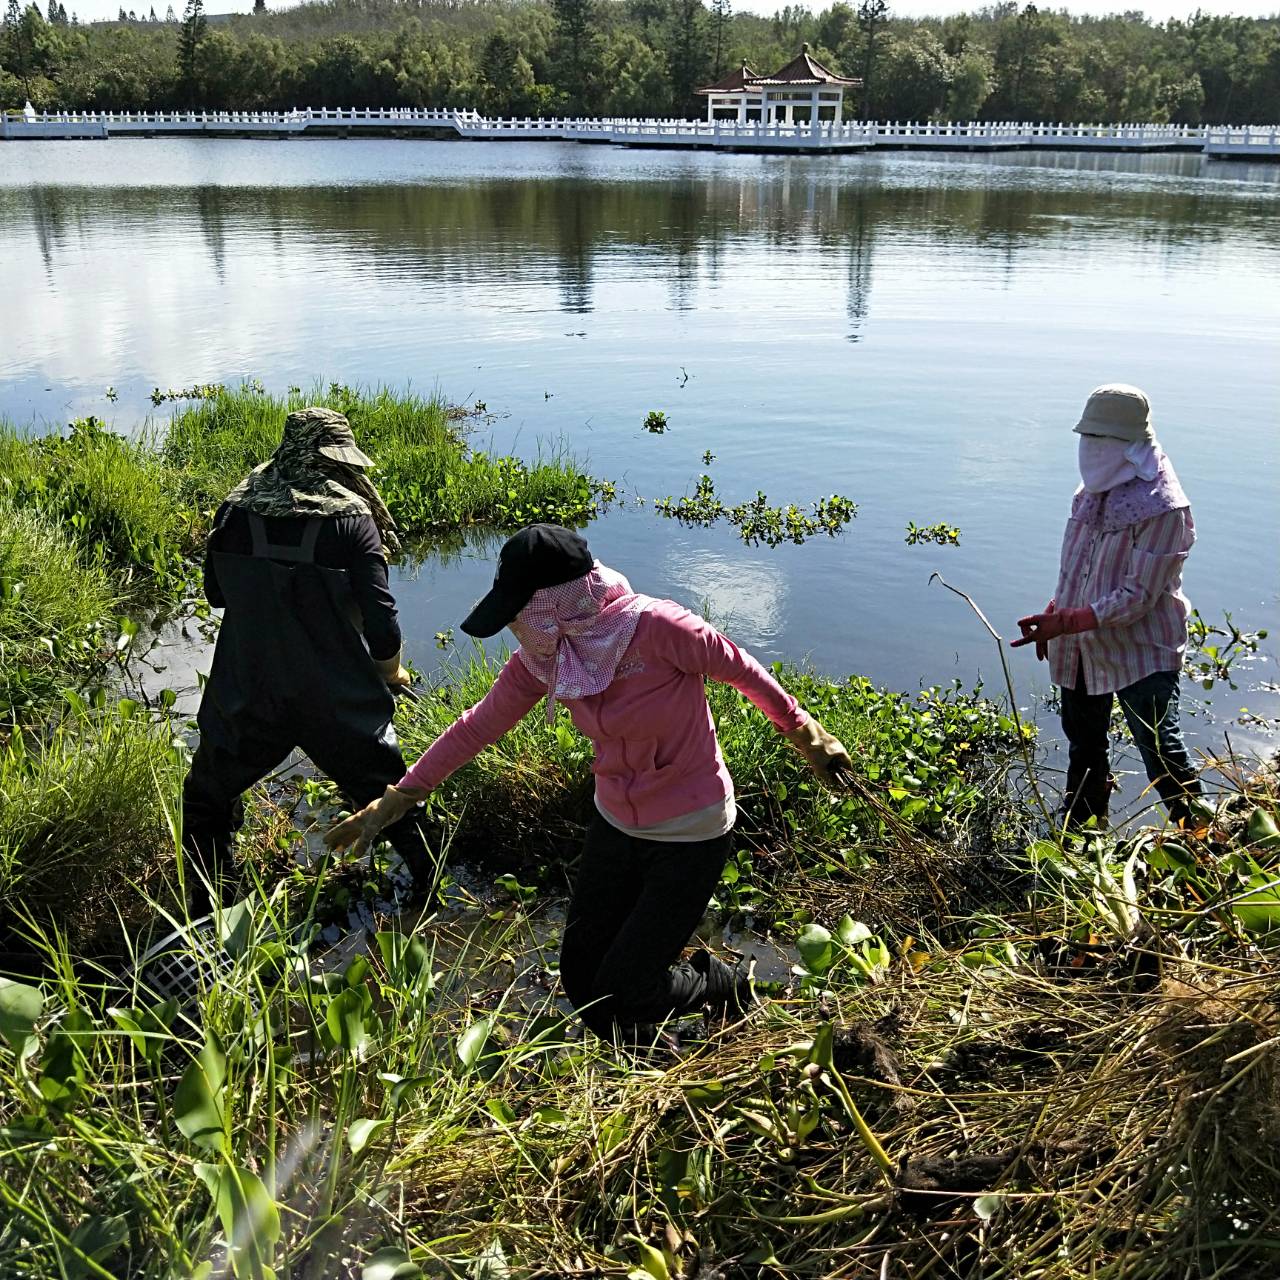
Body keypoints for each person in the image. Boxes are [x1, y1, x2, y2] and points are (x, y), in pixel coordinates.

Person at [325, 524, 852, 1037]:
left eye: (519, 612)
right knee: (584, 984)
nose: (515, 626)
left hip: (691, 831)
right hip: (616, 824)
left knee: (630, 984)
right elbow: (476, 727)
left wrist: (808, 736)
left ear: (558, 603)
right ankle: (657, 1059)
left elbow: (742, 670)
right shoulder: (547, 660)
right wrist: (396, 799)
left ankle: (723, 983)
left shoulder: (662, 629)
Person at [181, 406, 429, 914]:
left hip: (247, 690)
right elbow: (381, 619)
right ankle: (430, 894)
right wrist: (389, 671)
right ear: (336, 461)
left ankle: (209, 906)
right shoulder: (352, 520)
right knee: (393, 800)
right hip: (336, 698)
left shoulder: (233, 512)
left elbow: (215, 594)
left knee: (206, 798)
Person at [1013, 384, 1202, 828]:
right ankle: (1081, 829)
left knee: (1159, 748)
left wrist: (1066, 622)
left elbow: (1138, 597)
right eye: (1086, 438)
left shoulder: (1164, 509)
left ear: (1131, 445)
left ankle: (1202, 837)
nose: (1090, 449)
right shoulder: (1092, 492)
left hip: (1142, 650)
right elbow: (1079, 567)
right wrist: (1056, 612)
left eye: (1100, 440)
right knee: (1084, 743)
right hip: (1079, 645)